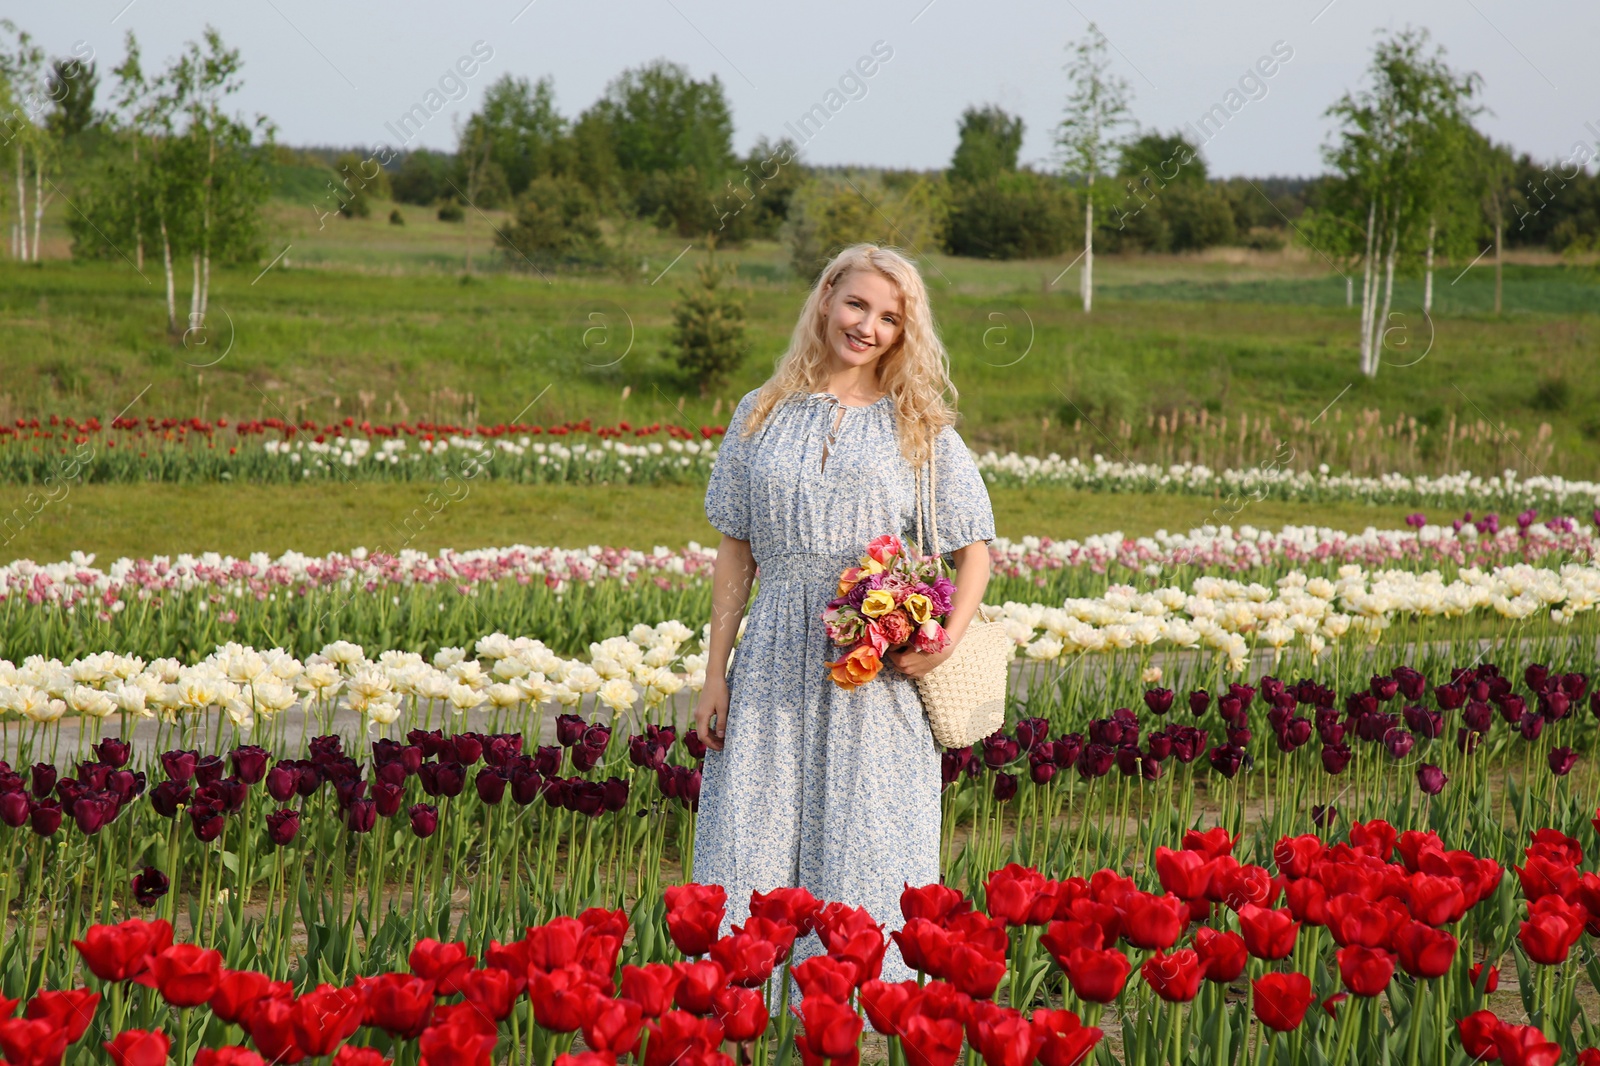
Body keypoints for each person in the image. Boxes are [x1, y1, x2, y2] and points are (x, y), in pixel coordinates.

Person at [691, 242, 996, 991]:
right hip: (770, 656)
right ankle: (745, 1009)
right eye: (857, 304)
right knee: (751, 838)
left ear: (903, 333)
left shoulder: (918, 423)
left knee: (865, 844)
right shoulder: (757, 412)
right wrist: (714, 674)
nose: (867, 326)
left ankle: (849, 1018)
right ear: (827, 297)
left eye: (890, 318)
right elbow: (736, 555)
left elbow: (976, 551)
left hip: (871, 669)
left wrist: (943, 642)